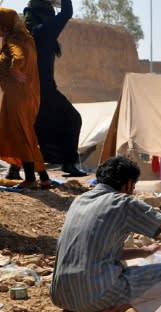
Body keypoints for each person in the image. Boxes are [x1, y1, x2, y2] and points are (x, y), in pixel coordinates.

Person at [50, 156, 161, 312]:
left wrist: (144, 251)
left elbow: (100, 251)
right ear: (129, 184)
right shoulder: (123, 202)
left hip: (60, 294)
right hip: (92, 295)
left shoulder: (80, 200)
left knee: (112, 265)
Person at [23, 0, 87, 178]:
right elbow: (66, 12)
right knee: (73, 119)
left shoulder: (26, 33)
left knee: (32, 127)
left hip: (27, 90)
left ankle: (16, 168)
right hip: (45, 90)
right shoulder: (45, 30)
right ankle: (69, 163)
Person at [0, 7, 52, 189]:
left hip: (16, 95)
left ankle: (30, 179)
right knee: (28, 135)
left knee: (20, 134)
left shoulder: (14, 40)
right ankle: (44, 178)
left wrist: (15, 69)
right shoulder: (28, 39)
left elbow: (18, 57)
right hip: (30, 95)